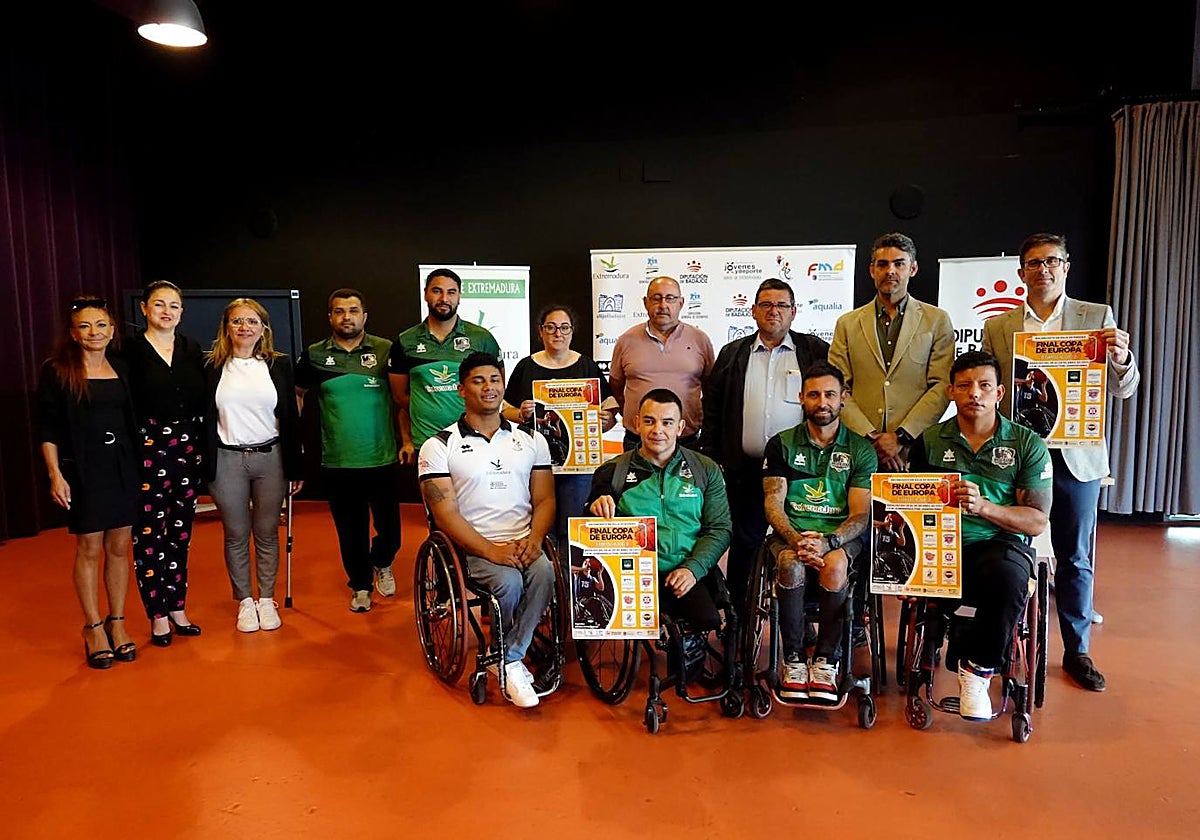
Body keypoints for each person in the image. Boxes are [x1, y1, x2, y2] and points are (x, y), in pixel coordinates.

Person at [983, 232, 1140, 692]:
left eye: (1052, 261)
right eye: (1034, 263)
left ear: (1066, 267)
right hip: (1019, 457)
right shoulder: (1000, 326)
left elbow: (1124, 388)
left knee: (1075, 556)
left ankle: (1077, 651)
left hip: (1077, 456)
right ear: (1021, 273)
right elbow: (992, 390)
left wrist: (1122, 358)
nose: (1043, 270)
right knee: (1009, 551)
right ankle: (1004, 645)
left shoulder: (1096, 317)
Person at [908, 351, 1053, 721]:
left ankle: (977, 672)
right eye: (965, 386)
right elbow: (909, 505)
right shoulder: (929, 441)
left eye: (985, 385)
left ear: (999, 393)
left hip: (997, 544)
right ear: (951, 392)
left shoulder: (1026, 444)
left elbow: (1037, 521)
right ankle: (938, 643)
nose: (975, 393)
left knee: (1007, 576)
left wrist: (985, 507)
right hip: (939, 545)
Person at [417, 352, 556, 709]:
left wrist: (535, 539)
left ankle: (507, 656)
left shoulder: (531, 440)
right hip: (474, 546)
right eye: (478, 381)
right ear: (461, 389)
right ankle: (511, 659)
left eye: (494, 380)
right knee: (508, 583)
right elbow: (444, 513)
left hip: (524, 540)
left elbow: (544, 499)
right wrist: (491, 550)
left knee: (545, 574)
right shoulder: (439, 446)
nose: (488, 388)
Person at [701, 278, 829, 605]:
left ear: (794, 312)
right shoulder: (732, 353)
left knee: (803, 541)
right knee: (745, 543)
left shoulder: (814, 351)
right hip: (744, 469)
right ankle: (739, 614)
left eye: (782, 305)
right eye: (767, 305)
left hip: (801, 471)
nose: (774, 311)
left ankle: (803, 614)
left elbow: (828, 403)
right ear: (754, 311)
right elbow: (712, 407)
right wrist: (712, 456)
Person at [761, 362, 876, 703]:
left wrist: (829, 542)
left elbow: (861, 514)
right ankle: (793, 659)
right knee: (789, 564)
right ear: (801, 398)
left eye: (829, 394)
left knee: (835, 565)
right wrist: (797, 540)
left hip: (839, 538)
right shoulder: (781, 444)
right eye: (813, 395)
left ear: (843, 397)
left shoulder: (860, 450)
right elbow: (773, 504)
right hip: (791, 535)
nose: (822, 402)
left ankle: (827, 659)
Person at [37, 296, 140, 668]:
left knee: (120, 546)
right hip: (83, 468)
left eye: (100, 325)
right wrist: (55, 474)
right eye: (85, 326)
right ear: (73, 333)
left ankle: (117, 622)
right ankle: (93, 627)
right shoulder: (57, 371)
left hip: (123, 466)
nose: (94, 332)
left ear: (112, 331)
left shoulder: (122, 368)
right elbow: (47, 429)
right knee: (90, 547)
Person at [587, 388, 731, 638]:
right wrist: (594, 509)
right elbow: (589, 528)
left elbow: (719, 529)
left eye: (667, 422)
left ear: (680, 427)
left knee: (706, 621)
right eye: (649, 421)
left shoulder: (705, 470)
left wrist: (693, 569)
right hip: (633, 574)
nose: (657, 430)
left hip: (686, 568)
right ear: (636, 424)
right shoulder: (612, 472)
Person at [297, 289, 401, 613]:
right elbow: (297, 393)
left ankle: (382, 560)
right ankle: (360, 585)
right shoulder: (314, 355)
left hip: (382, 457)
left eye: (353, 311)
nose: (347, 317)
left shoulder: (385, 350)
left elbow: (403, 396)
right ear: (330, 316)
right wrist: (295, 435)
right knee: (351, 531)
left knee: (391, 533)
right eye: (339, 311)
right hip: (339, 461)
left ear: (364, 316)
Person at [203, 299, 303, 633]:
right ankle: (245, 600)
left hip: (270, 458)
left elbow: (290, 416)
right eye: (237, 321)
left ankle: (266, 599)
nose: (244, 327)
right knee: (235, 533)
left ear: (263, 329)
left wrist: (295, 467)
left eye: (252, 321)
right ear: (226, 327)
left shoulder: (278, 365)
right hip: (227, 459)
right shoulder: (212, 365)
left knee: (266, 532)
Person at [123, 280, 207, 647]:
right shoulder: (129, 351)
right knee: (148, 535)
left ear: (182, 312)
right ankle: (156, 614)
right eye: (159, 304)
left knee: (180, 533)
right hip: (147, 448)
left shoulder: (191, 348)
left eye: (174, 305)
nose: (166, 311)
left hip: (187, 448)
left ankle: (177, 607)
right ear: (144, 309)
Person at [828, 232, 955, 470]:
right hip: (859, 449)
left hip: (916, 449)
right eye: (883, 264)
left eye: (899, 264)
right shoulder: (847, 324)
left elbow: (942, 385)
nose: (890, 271)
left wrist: (901, 437)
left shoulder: (937, 320)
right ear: (872, 270)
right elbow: (837, 386)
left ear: (913, 269)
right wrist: (871, 438)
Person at [501, 304, 619, 548]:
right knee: (539, 528)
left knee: (573, 527)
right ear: (540, 331)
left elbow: (609, 413)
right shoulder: (526, 367)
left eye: (564, 327)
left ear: (572, 331)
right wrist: (521, 413)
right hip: (535, 464)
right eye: (551, 327)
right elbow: (505, 411)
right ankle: (544, 571)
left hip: (578, 466)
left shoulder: (586, 366)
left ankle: (567, 572)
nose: (558, 333)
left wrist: (605, 420)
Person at [388, 268, 501, 464]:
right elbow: (401, 397)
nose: (444, 298)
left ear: (459, 296)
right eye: (437, 291)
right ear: (425, 293)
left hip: (474, 440)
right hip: (426, 443)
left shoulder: (481, 338)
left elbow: (497, 387)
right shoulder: (405, 341)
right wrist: (428, 409)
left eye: (451, 292)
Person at [608, 276, 714, 451]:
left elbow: (711, 389)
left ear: (681, 303)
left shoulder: (700, 340)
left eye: (670, 298)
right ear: (645, 303)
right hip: (637, 441)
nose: (663, 305)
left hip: (687, 441)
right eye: (656, 298)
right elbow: (616, 387)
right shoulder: (626, 340)